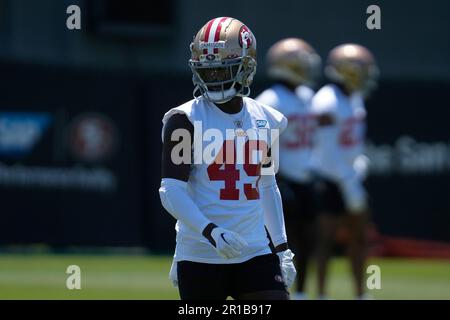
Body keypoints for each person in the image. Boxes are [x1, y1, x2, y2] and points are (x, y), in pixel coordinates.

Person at [158, 17, 296, 300]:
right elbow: (171, 191)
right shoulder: (185, 120)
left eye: (224, 70)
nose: (214, 79)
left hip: (255, 250)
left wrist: (282, 248)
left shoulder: (266, 119)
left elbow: (267, 186)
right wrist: (211, 232)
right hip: (201, 253)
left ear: (247, 67)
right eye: (207, 72)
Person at [311, 43, 379, 299]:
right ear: (348, 71)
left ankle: (361, 293)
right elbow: (326, 148)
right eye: (361, 69)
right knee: (325, 241)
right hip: (330, 177)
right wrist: (345, 179)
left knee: (359, 238)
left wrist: (357, 167)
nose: (366, 74)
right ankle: (320, 294)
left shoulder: (354, 96)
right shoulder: (326, 101)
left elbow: (354, 141)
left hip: (351, 175)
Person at [255, 38, 321, 300]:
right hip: (279, 177)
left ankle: (302, 293)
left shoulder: (307, 97)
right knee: (282, 239)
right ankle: (279, 290)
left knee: (309, 238)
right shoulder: (270, 99)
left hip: (305, 175)